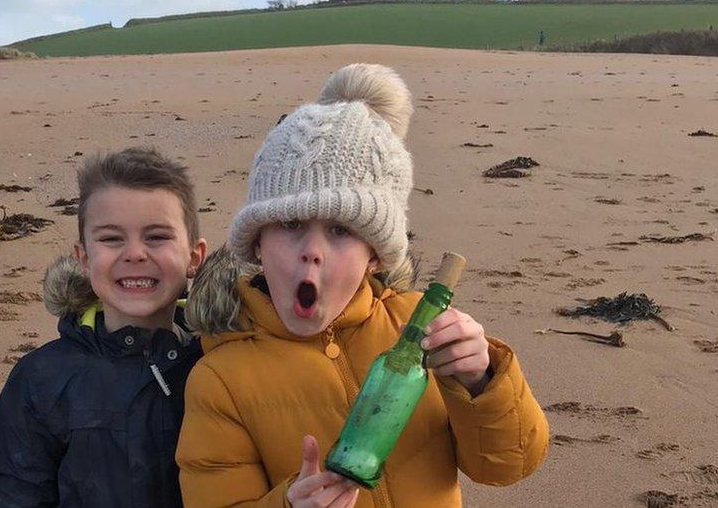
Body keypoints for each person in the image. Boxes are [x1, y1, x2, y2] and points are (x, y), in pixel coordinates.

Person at [177, 64, 549, 507]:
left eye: (340, 231)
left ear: (374, 254)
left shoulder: (422, 329)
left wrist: (480, 379)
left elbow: (508, 464)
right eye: (291, 223)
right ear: (257, 242)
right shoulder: (219, 378)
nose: (312, 252)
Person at [0, 147, 208, 507]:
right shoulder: (41, 380)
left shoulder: (216, 365)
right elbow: (14, 495)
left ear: (194, 257)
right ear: (84, 258)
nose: (134, 253)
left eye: (156, 237)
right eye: (111, 238)